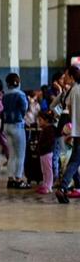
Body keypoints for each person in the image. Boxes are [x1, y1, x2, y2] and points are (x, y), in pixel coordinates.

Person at [55, 66, 80, 203]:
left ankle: (74, 186)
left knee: (75, 159)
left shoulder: (72, 91)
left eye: (66, 75)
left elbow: (70, 112)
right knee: (76, 160)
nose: (65, 78)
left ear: (71, 76)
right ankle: (63, 187)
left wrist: (73, 129)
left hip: (76, 131)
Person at [2, 73, 29, 189]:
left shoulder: (5, 95)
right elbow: (24, 108)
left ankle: (10, 179)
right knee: (20, 154)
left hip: (6, 126)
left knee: (12, 155)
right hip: (17, 126)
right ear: (18, 82)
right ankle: (18, 179)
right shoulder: (20, 94)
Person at [35, 111, 57, 195]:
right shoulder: (45, 129)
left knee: (48, 170)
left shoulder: (50, 129)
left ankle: (49, 186)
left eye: (40, 120)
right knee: (44, 170)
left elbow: (50, 142)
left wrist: (42, 146)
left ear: (46, 120)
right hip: (43, 153)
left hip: (47, 153)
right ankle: (45, 184)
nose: (38, 122)